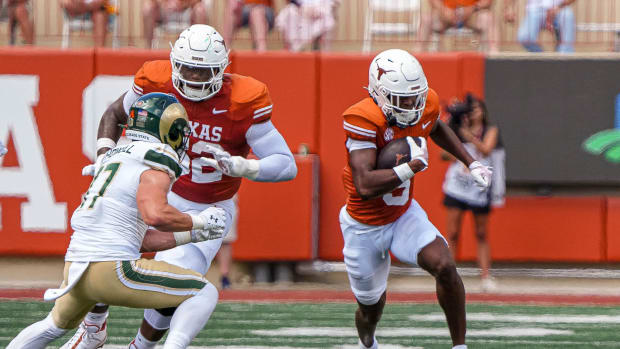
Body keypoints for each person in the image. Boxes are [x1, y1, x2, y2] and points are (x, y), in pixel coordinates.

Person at [61, 24, 297, 349]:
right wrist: (104, 155)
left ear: (222, 68)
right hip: (155, 187)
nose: (194, 78)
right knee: (105, 246)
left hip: (208, 205)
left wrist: (245, 166)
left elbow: (286, 164)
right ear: (174, 62)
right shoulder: (156, 79)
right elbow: (116, 114)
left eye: (203, 71)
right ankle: (93, 329)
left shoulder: (243, 99)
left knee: (174, 283)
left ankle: (141, 346)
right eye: (188, 68)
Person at [7, 92, 229, 349]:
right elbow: (155, 214)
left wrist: (193, 235)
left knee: (52, 326)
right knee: (204, 292)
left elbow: (139, 238)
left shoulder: (116, 155)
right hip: (114, 269)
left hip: (76, 268)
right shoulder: (156, 156)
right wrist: (198, 221)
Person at [340, 49, 492, 349]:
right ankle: (367, 342)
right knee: (371, 309)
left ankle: (460, 346)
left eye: (415, 97)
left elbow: (435, 126)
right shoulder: (362, 118)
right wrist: (409, 168)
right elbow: (364, 185)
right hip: (363, 226)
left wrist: (469, 161)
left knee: (445, 266)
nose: (411, 105)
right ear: (379, 94)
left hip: (402, 216)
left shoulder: (424, 104)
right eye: (402, 99)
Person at [442, 94, 505, 292]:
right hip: (458, 186)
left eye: (477, 109)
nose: (473, 113)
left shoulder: (490, 130)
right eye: (470, 110)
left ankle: (485, 276)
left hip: (479, 188)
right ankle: (449, 276)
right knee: (452, 233)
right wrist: (452, 128)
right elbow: (443, 155)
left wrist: (467, 134)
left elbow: (486, 149)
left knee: (481, 233)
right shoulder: (457, 131)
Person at [415, 0, 499, 53]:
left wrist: (473, 8)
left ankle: (493, 57)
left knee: (488, 18)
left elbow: (487, 1)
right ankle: (418, 57)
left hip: (473, 14)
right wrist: (443, 10)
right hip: (445, 14)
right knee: (426, 19)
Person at [504, 0, 576, 53]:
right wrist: (509, 8)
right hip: (534, 9)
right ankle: (544, 60)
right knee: (524, 37)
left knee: (567, 15)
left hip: (561, 8)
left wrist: (558, 7)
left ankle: (565, 58)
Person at [275, 0, 339, 52]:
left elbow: (333, 3)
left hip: (322, 8)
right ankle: (293, 49)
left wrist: (317, 10)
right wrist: (301, 7)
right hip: (300, 8)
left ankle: (325, 57)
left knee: (327, 20)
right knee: (289, 13)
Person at [142, 0, 208, 49]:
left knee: (200, 10)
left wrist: (183, 3)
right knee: (148, 8)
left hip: (187, 9)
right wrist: (165, 3)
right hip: (164, 9)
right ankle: (148, 49)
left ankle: (198, 49)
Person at [216, 194, 238, 289]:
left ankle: (225, 277)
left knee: (225, 240)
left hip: (225, 196)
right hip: (196, 195)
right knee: (198, 240)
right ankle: (197, 277)